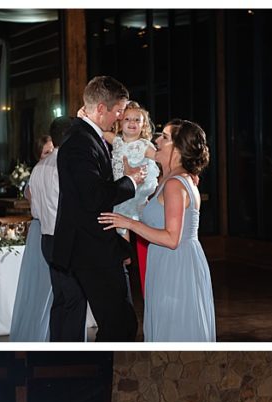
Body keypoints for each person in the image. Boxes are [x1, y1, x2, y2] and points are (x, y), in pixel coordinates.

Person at [98, 119, 215, 341]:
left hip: (176, 264)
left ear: (179, 149)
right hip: (168, 261)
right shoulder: (167, 180)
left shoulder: (175, 184)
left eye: (165, 137)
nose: (156, 140)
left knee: (176, 331)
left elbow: (172, 238)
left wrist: (129, 223)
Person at [49, 76, 147, 342]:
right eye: (118, 111)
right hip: (90, 249)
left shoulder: (86, 136)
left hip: (92, 246)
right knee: (120, 324)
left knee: (119, 322)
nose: (119, 118)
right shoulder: (81, 141)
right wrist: (130, 183)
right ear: (101, 109)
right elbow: (93, 197)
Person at [9, 116, 73, 342]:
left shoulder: (43, 171)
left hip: (47, 232)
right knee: (43, 291)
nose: (49, 155)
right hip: (44, 232)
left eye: (51, 150)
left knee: (57, 292)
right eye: (45, 152)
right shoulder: (42, 172)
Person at [104, 102, 159, 295]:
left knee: (131, 216)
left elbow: (161, 157)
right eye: (127, 119)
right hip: (122, 193)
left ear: (143, 124)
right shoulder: (117, 141)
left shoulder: (144, 145)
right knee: (120, 217)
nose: (132, 123)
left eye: (137, 119)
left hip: (139, 193)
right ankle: (125, 254)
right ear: (120, 123)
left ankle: (137, 253)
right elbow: (102, 132)